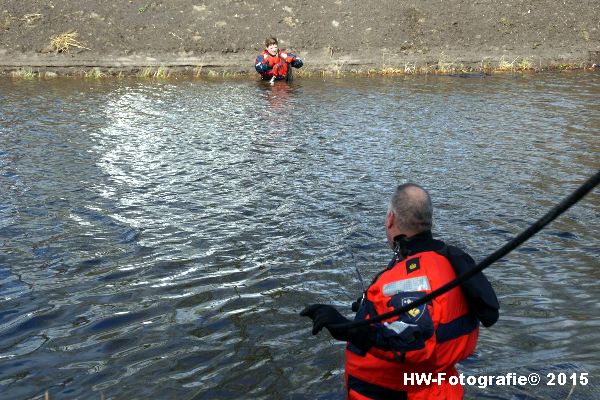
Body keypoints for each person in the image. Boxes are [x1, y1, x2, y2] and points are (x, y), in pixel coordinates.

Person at [301, 183, 499, 400]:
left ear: (391, 219)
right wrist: (371, 310)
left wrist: (347, 329)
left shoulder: (408, 279)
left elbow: (414, 344)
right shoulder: (449, 262)